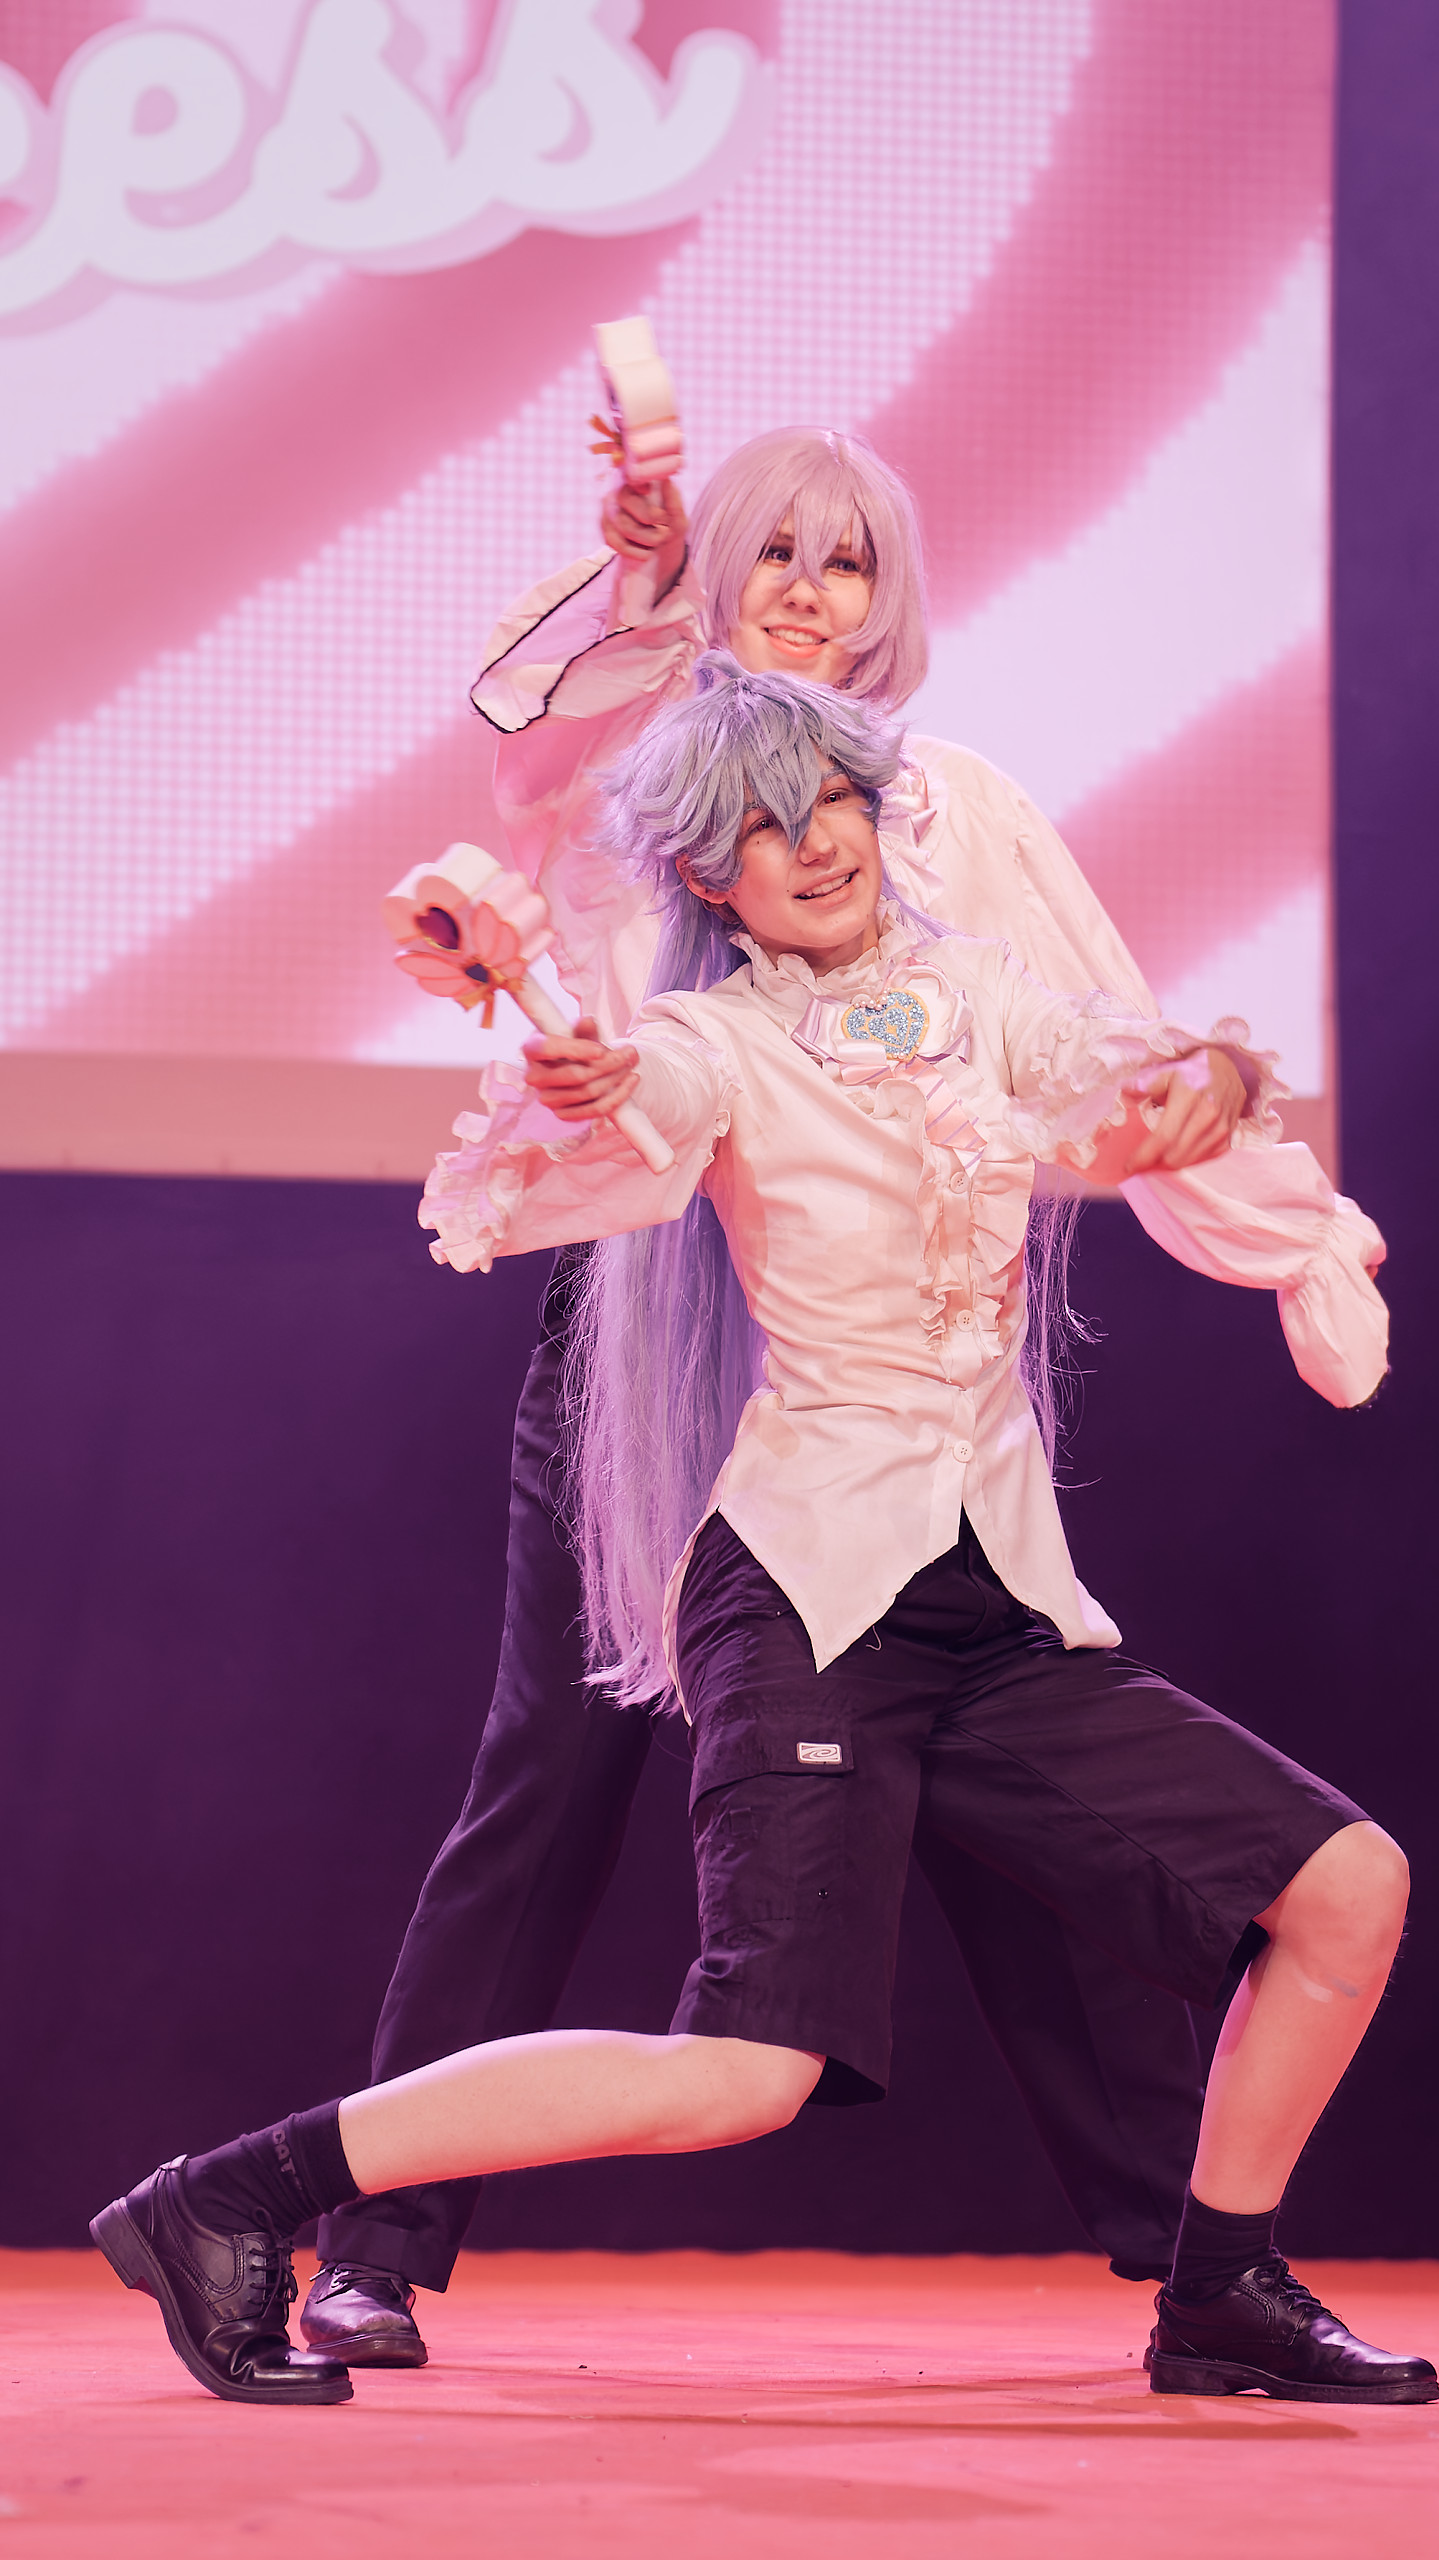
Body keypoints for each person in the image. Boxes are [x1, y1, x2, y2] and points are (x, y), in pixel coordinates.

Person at [94, 665, 1433, 2413]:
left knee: (1346, 1885)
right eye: (760, 828)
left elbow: (1108, 1061)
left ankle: (1220, 2290)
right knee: (745, 2070)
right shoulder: (714, 1040)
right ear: (706, 877)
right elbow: (629, 1102)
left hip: (991, 1603)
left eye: (833, 804)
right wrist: (579, 1070)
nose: (812, 845)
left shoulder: (978, 991)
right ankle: (228, 2198)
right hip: (805, 1603)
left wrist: (1208, 1071)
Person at [303, 427, 1257, 2366]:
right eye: (776, 553)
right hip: (656, 1337)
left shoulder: (958, 809)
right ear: (713, 575)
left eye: (849, 559)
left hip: (895, 1377)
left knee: (1003, 1783)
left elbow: (1109, 1033)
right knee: (551, 1777)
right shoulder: (630, 771)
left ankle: (1197, 2261)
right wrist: (629, 576)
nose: (811, 590)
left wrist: (1244, 1160)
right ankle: (369, 2240)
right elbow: (524, 754)